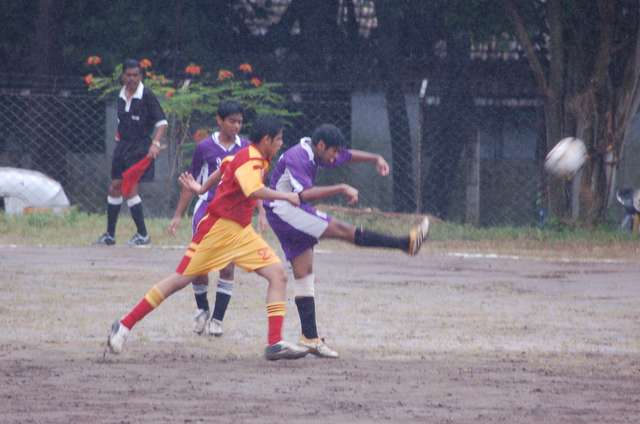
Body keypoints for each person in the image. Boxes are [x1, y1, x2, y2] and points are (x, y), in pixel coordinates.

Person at [107, 116, 309, 361]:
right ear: (266, 140)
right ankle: (124, 325)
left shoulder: (249, 155)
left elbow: (224, 165)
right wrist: (287, 196)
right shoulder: (251, 159)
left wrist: (201, 189)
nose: (281, 144)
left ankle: (275, 343)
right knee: (180, 280)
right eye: (278, 139)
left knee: (278, 275)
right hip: (217, 230)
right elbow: (253, 189)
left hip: (241, 232)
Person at [263, 123, 429, 358]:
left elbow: (347, 155)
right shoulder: (298, 156)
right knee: (342, 230)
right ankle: (405, 243)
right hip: (284, 209)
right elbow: (304, 195)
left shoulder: (316, 150)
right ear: (321, 145)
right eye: (333, 152)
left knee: (304, 271)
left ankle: (309, 337)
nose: (335, 157)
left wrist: (375, 158)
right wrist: (341, 187)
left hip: (285, 210)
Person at [168, 100, 265, 337]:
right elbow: (191, 182)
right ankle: (202, 309)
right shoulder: (204, 147)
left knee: (227, 265)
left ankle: (217, 320)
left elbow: (255, 184)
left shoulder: (246, 148)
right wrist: (179, 214)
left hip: (233, 213)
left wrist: (262, 212)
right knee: (199, 267)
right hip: (207, 210)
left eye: (240, 122)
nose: (236, 126)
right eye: (232, 121)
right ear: (219, 121)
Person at [96, 59, 168, 246]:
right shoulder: (120, 95)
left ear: (141, 76)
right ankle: (110, 235)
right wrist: (119, 136)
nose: (132, 79)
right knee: (115, 187)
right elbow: (122, 121)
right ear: (123, 76)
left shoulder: (147, 95)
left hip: (139, 147)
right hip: (122, 147)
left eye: (135, 75)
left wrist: (155, 143)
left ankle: (143, 235)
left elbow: (162, 123)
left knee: (129, 187)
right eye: (128, 75)